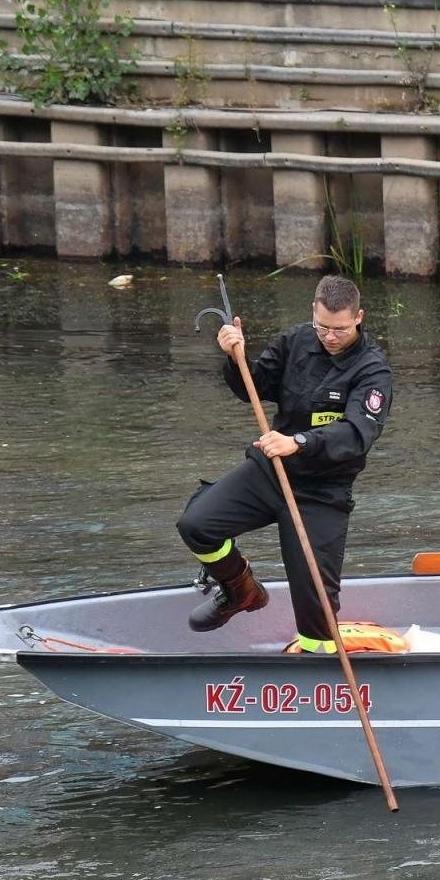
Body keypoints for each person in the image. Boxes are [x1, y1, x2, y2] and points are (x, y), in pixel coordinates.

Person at [176, 275, 392, 651]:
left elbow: (358, 433)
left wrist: (299, 442)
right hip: (271, 472)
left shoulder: (373, 370)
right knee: (196, 525)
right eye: (322, 326)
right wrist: (236, 357)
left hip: (322, 491)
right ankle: (240, 590)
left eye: (340, 329)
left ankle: (317, 660)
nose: (330, 336)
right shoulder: (296, 340)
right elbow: (254, 387)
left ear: (358, 318)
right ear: (313, 313)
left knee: (316, 608)